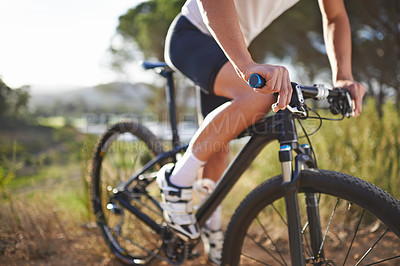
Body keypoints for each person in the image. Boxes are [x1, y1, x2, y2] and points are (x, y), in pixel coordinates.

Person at [157, 0, 367, 264]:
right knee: (260, 95)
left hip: (229, 45)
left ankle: (212, 231)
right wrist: (245, 66)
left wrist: (343, 76)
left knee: (218, 152)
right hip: (193, 36)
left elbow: (335, 15)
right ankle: (175, 182)